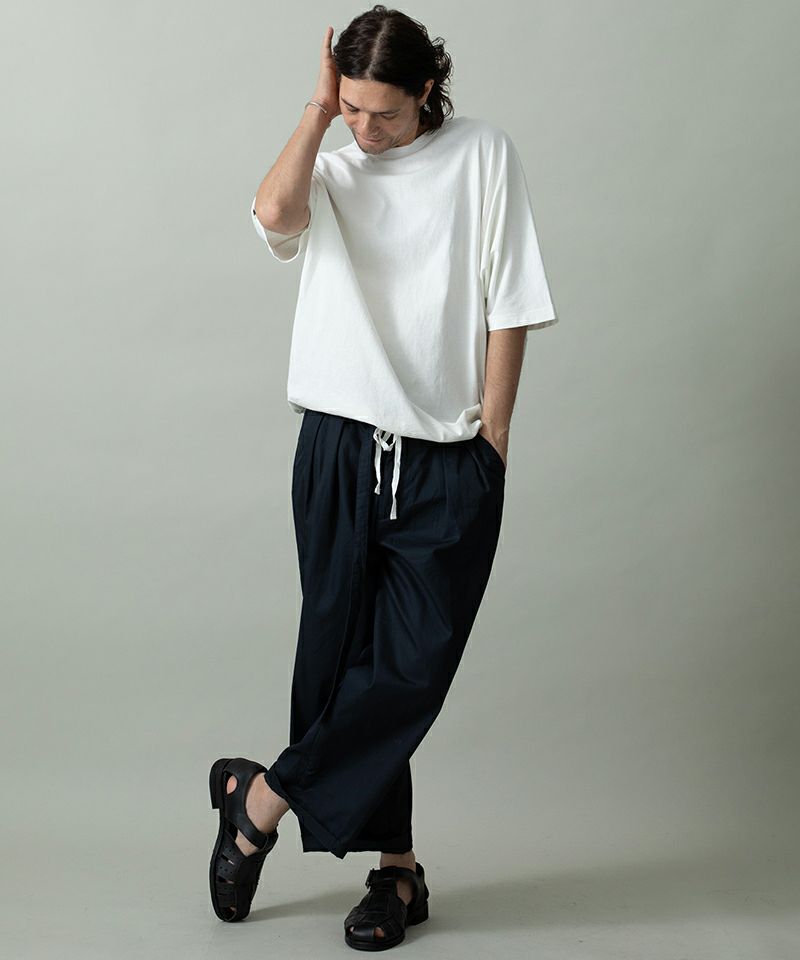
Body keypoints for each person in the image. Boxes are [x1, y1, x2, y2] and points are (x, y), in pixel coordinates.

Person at [208, 4, 558, 950]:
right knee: (342, 668)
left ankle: (257, 800)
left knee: (406, 670)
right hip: (338, 448)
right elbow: (272, 216)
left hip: (445, 457)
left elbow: (511, 297)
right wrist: (318, 113)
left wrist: (495, 438)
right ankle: (396, 874)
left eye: (385, 113)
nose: (367, 129)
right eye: (354, 109)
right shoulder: (330, 160)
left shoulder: (482, 155)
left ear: (427, 91)